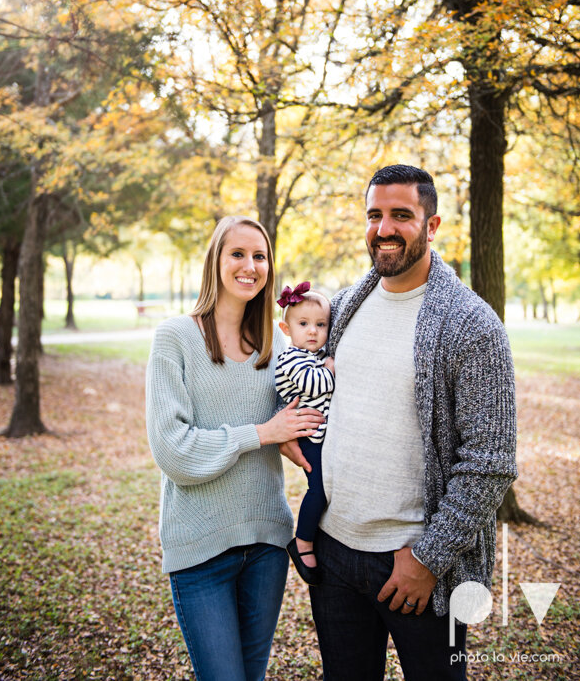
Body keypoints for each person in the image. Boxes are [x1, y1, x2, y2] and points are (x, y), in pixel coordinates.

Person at [287, 164, 518, 681]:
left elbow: (491, 462)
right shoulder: (346, 305)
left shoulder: (471, 325)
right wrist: (287, 426)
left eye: (401, 215)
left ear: (431, 226)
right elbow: (311, 383)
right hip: (334, 553)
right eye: (374, 215)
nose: (384, 228)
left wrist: (428, 559)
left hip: (417, 565)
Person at [145, 216, 324, 681]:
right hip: (200, 549)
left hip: (266, 544)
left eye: (260, 256)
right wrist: (262, 433)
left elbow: (299, 419)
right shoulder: (175, 339)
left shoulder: (275, 348)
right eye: (238, 254)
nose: (250, 265)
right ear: (216, 261)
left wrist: (294, 437)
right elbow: (174, 452)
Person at [275, 282, 335, 585]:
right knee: (320, 488)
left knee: (329, 485)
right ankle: (303, 542)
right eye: (304, 324)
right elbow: (315, 384)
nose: (313, 331)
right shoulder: (292, 358)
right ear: (287, 328)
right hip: (309, 437)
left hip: (321, 433)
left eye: (320, 324)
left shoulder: (313, 354)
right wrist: (333, 369)